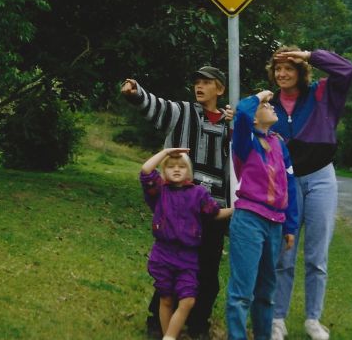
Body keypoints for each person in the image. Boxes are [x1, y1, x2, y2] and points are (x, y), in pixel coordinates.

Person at [121, 66, 233, 339]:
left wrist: (238, 120)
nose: (199, 87)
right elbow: (155, 106)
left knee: (207, 270)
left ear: (220, 89)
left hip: (213, 206)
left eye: (206, 83)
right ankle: (157, 324)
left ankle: (198, 325)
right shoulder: (182, 112)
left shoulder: (232, 123)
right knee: (171, 266)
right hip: (180, 209)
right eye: (197, 82)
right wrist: (136, 93)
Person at [267, 47, 352, 340]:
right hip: (286, 183)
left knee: (317, 256)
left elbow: (347, 70)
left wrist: (309, 54)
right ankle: (277, 319)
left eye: (289, 68)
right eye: (278, 69)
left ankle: (312, 320)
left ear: (301, 70)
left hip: (320, 179)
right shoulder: (268, 105)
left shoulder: (322, 93)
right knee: (285, 255)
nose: (282, 74)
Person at [225, 90, 298, 340]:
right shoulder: (245, 141)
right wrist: (260, 95)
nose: (271, 106)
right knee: (242, 292)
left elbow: (290, 185)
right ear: (255, 119)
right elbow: (242, 112)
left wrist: (290, 226)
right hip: (249, 221)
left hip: (275, 224)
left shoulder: (279, 143)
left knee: (266, 292)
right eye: (266, 105)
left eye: (269, 103)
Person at [140, 147, 234, 340]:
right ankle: (169, 336)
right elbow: (146, 171)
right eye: (171, 166)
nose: (176, 169)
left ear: (189, 171)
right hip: (163, 255)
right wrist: (166, 152)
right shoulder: (159, 192)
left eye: (181, 166)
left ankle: (169, 336)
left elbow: (215, 213)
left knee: (188, 300)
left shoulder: (198, 193)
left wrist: (237, 208)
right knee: (166, 298)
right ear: (164, 171)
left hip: (188, 257)